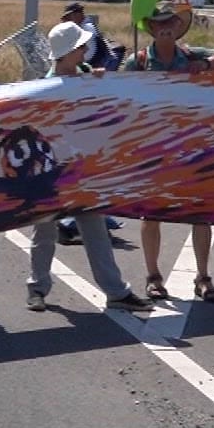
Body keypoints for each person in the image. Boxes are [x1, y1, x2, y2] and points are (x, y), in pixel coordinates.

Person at [28, 21, 158, 314]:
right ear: (68, 52)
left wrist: (100, 83)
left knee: (95, 229)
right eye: (80, 46)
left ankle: (116, 292)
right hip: (52, 172)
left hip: (83, 171)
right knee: (44, 231)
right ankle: (37, 288)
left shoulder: (86, 75)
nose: (86, 49)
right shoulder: (46, 87)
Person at [122, 1, 214, 303]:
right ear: (151, 27)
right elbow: (117, 97)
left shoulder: (192, 56)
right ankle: (153, 277)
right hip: (152, 150)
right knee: (151, 215)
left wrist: (207, 65)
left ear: (178, 27)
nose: (165, 27)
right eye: (159, 22)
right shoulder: (137, 62)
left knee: (201, 214)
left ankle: (203, 277)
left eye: (170, 22)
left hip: (191, 149)